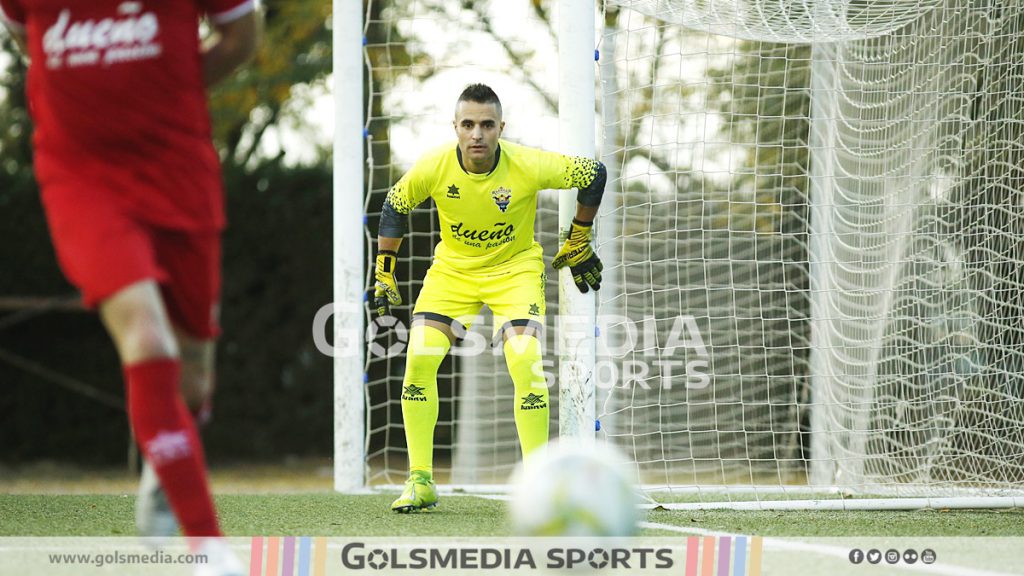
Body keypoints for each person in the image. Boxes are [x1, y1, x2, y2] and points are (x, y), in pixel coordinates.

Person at [0, 0, 260, 572]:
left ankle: (163, 463)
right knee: (146, 337)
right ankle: (207, 547)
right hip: (81, 177)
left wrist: (164, 93)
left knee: (193, 378)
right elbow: (33, 47)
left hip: (178, 171)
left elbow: (243, 37)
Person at [374, 83, 606, 513]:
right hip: (453, 273)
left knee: (524, 360)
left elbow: (593, 174)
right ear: (455, 128)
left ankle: (540, 486)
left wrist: (579, 238)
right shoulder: (435, 166)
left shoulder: (528, 163)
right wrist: (384, 271)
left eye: (486, 124)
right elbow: (394, 204)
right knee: (420, 357)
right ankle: (420, 481)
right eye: (467, 124)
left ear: (502, 127)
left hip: (514, 271)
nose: (476, 134)